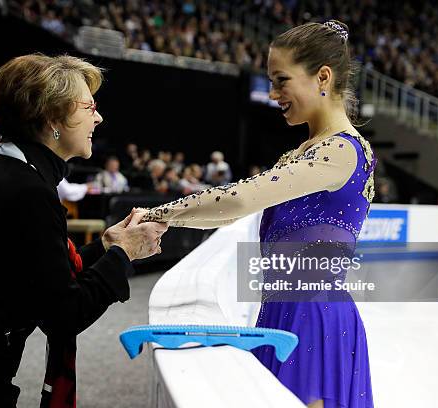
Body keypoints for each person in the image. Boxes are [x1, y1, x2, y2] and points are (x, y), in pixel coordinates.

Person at [0, 54, 168, 407]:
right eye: (89, 107)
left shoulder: (11, 171)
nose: (98, 117)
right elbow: (64, 314)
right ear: (53, 118)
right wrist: (123, 253)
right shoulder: (24, 188)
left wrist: (106, 245)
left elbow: (41, 274)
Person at [140, 21, 374, 408]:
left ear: (323, 77)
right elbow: (233, 210)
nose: (273, 93)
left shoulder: (342, 151)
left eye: (281, 81)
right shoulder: (307, 151)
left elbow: (238, 200)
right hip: (282, 312)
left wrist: (161, 213)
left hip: (314, 323)